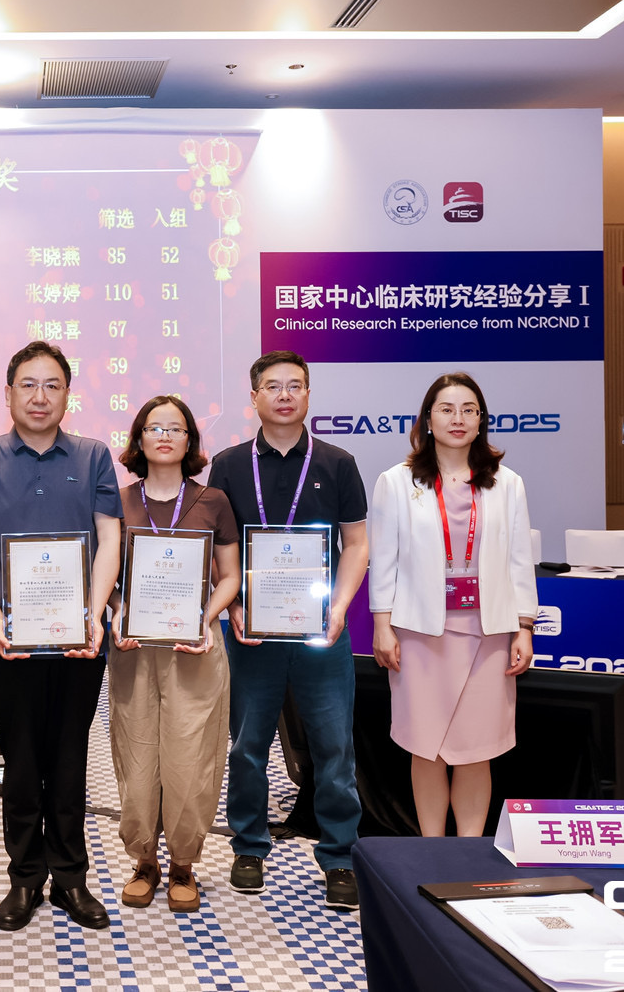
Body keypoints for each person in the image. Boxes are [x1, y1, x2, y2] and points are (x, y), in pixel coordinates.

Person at [0, 341, 122, 932]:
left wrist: (95, 614)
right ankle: (25, 877)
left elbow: (109, 538)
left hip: (79, 638)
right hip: (8, 638)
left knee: (70, 758)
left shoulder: (94, 456)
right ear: (8, 393)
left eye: (52, 385)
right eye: (28, 384)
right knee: (21, 762)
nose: (40, 396)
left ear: (68, 394)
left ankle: (71, 878)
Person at [206, 350, 369, 910]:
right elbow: (219, 549)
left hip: (322, 631)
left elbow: (357, 544)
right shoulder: (228, 465)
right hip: (252, 631)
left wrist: (340, 606)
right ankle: (249, 846)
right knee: (247, 746)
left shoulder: (338, 462)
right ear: (253, 397)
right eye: (272, 386)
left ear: (308, 395)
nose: (284, 395)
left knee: (335, 747)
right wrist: (232, 607)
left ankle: (339, 856)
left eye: (295, 385)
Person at [369, 371, 536, 837]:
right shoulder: (396, 482)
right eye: (446, 409)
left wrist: (524, 627)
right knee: (427, 748)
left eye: (468, 410)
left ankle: (469, 851)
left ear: (481, 421)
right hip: (421, 633)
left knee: (476, 749)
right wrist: (382, 625)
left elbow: (520, 560)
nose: (457, 419)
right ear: (428, 420)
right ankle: (432, 849)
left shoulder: (507, 484)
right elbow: (384, 561)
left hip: (488, 632)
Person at [107, 395, 240, 912]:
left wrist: (205, 618)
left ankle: (184, 864)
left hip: (195, 645)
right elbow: (105, 576)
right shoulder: (117, 501)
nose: (164, 436)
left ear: (190, 441)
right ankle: (144, 861)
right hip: (135, 646)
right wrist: (116, 609)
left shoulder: (214, 500)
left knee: (191, 758)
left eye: (176, 428)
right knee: (137, 756)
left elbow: (229, 577)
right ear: (139, 438)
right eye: (154, 427)